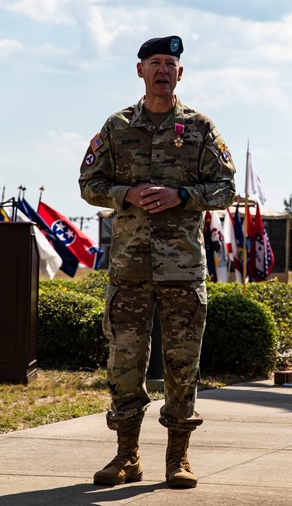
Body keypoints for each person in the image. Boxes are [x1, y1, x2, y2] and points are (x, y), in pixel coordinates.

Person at [78, 35, 236, 489]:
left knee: (182, 363)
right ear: (140, 71)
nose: (163, 70)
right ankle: (126, 456)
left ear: (180, 73)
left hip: (182, 269)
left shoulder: (200, 128)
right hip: (129, 268)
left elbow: (224, 187)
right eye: (155, 63)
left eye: (170, 63)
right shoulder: (117, 126)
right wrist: (125, 193)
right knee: (124, 363)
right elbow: (88, 181)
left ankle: (179, 459)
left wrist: (181, 196)